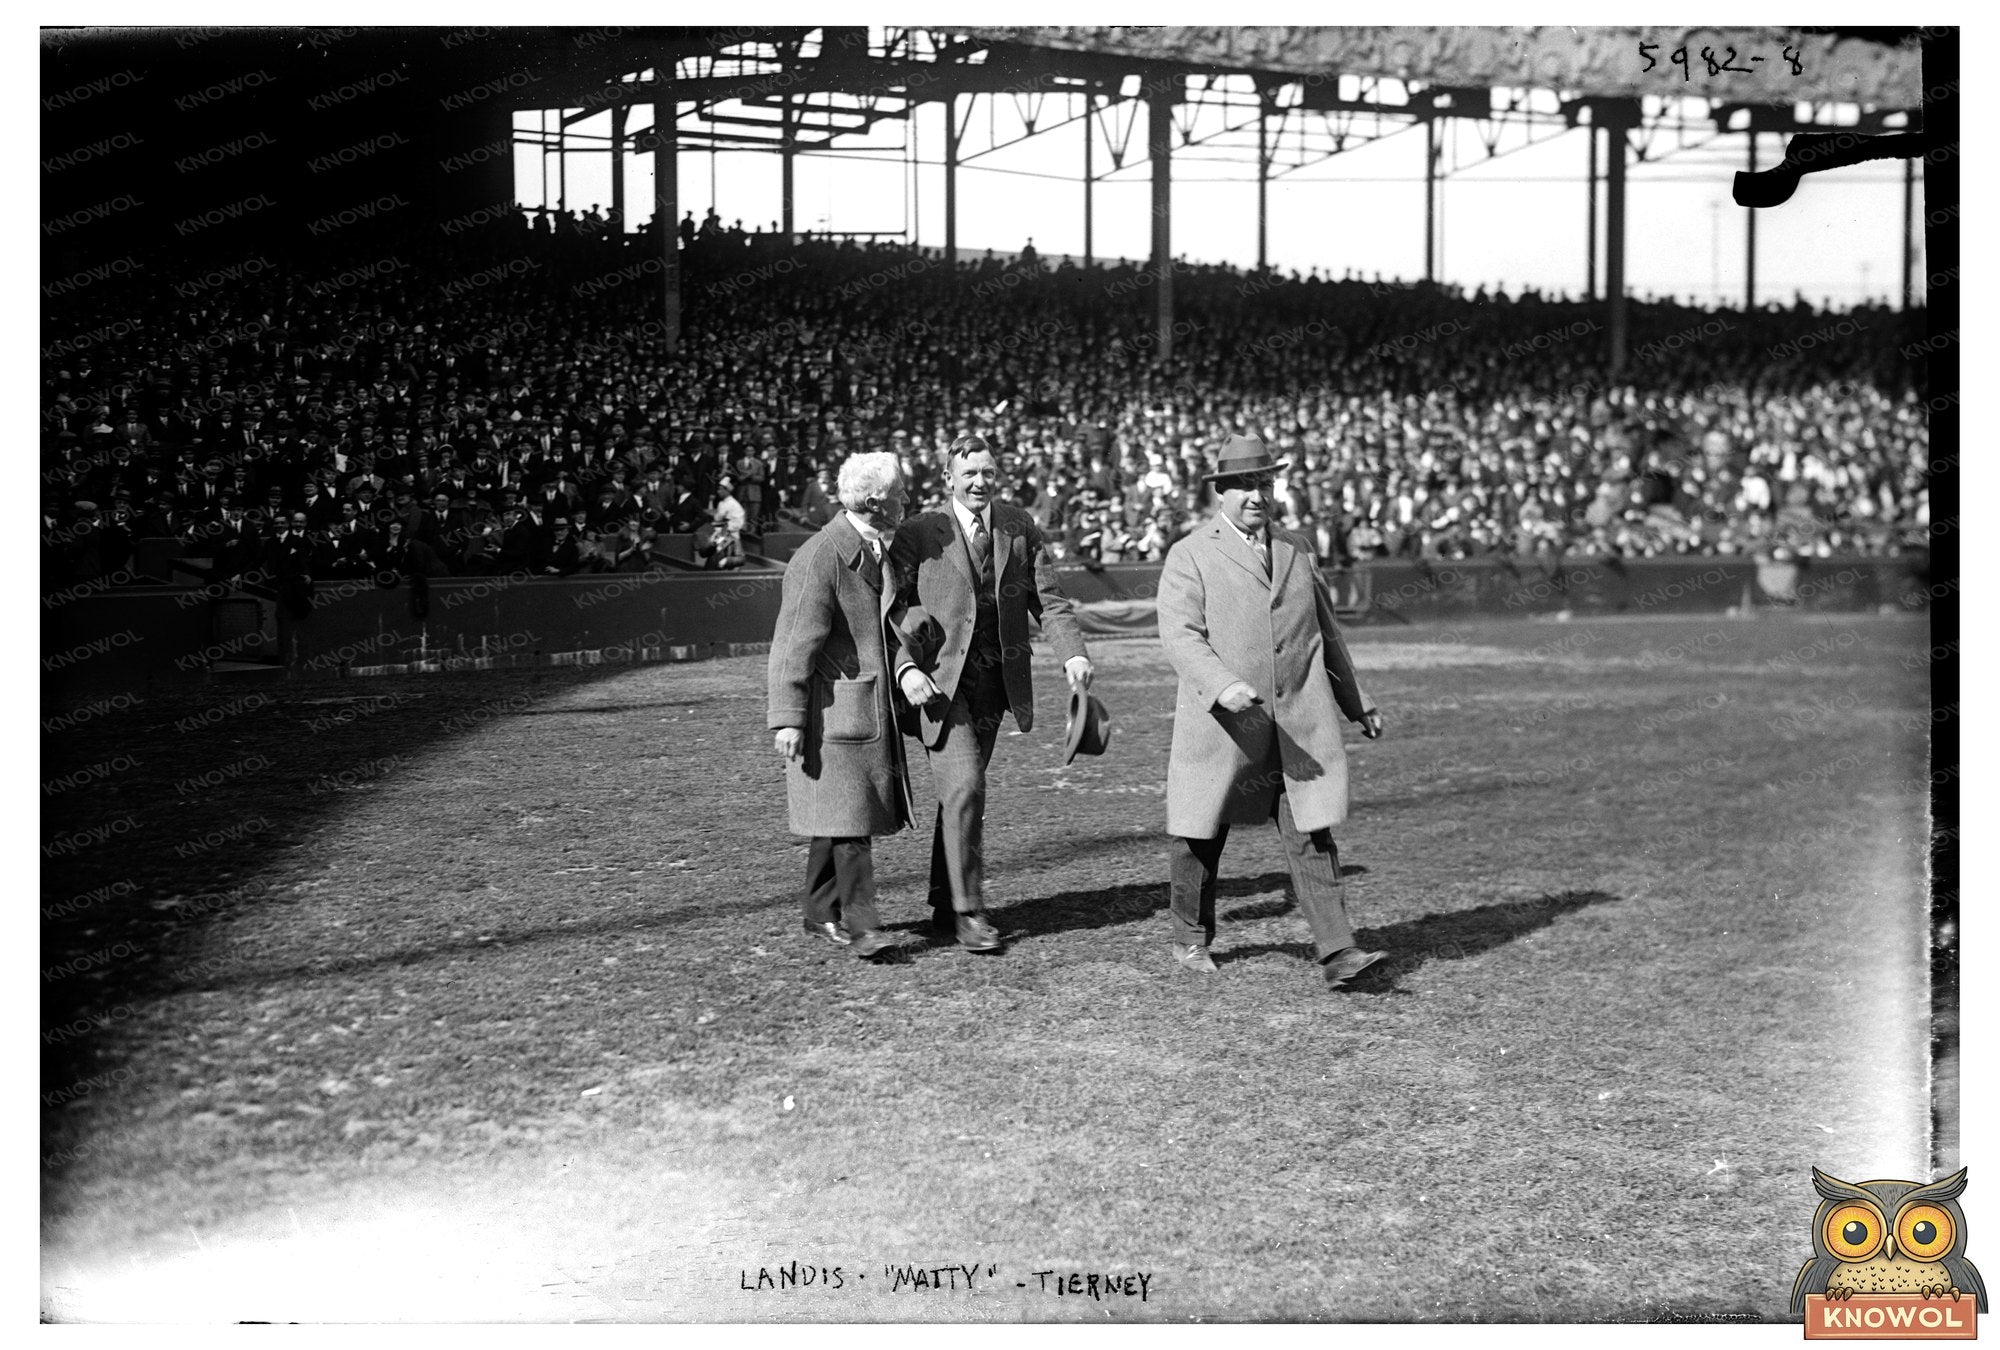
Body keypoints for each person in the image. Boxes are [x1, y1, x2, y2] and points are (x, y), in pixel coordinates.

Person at [1156, 435, 1387, 989]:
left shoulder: (1296, 549)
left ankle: (1339, 951)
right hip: (1224, 726)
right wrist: (1223, 685)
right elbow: (1180, 636)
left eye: (1263, 483)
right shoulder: (1190, 553)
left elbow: (1327, 633)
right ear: (1221, 493)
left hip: (1298, 725)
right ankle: (1190, 938)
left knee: (1311, 832)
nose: (1256, 495)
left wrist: (1358, 702)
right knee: (1200, 836)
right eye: (1243, 485)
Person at [888, 433, 1092, 952]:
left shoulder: (1019, 526)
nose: (980, 482)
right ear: (948, 478)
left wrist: (1072, 654)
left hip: (995, 687)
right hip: (939, 686)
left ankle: (944, 898)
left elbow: (1050, 600)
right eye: (970, 473)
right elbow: (892, 608)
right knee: (965, 785)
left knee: (962, 791)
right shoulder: (918, 532)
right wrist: (907, 667)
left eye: (988, 473)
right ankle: (968, 911)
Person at [766, 450, 915, 961]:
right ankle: (863, 925)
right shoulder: (820, 556)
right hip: (834, 714)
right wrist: (787, 719)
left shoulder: (877, 547)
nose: (906, 499)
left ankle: (818, 911)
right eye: (899, 492)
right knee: (852, 820)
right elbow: (792, 645)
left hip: (861, 711)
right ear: (874, 502)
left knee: (838, 816)